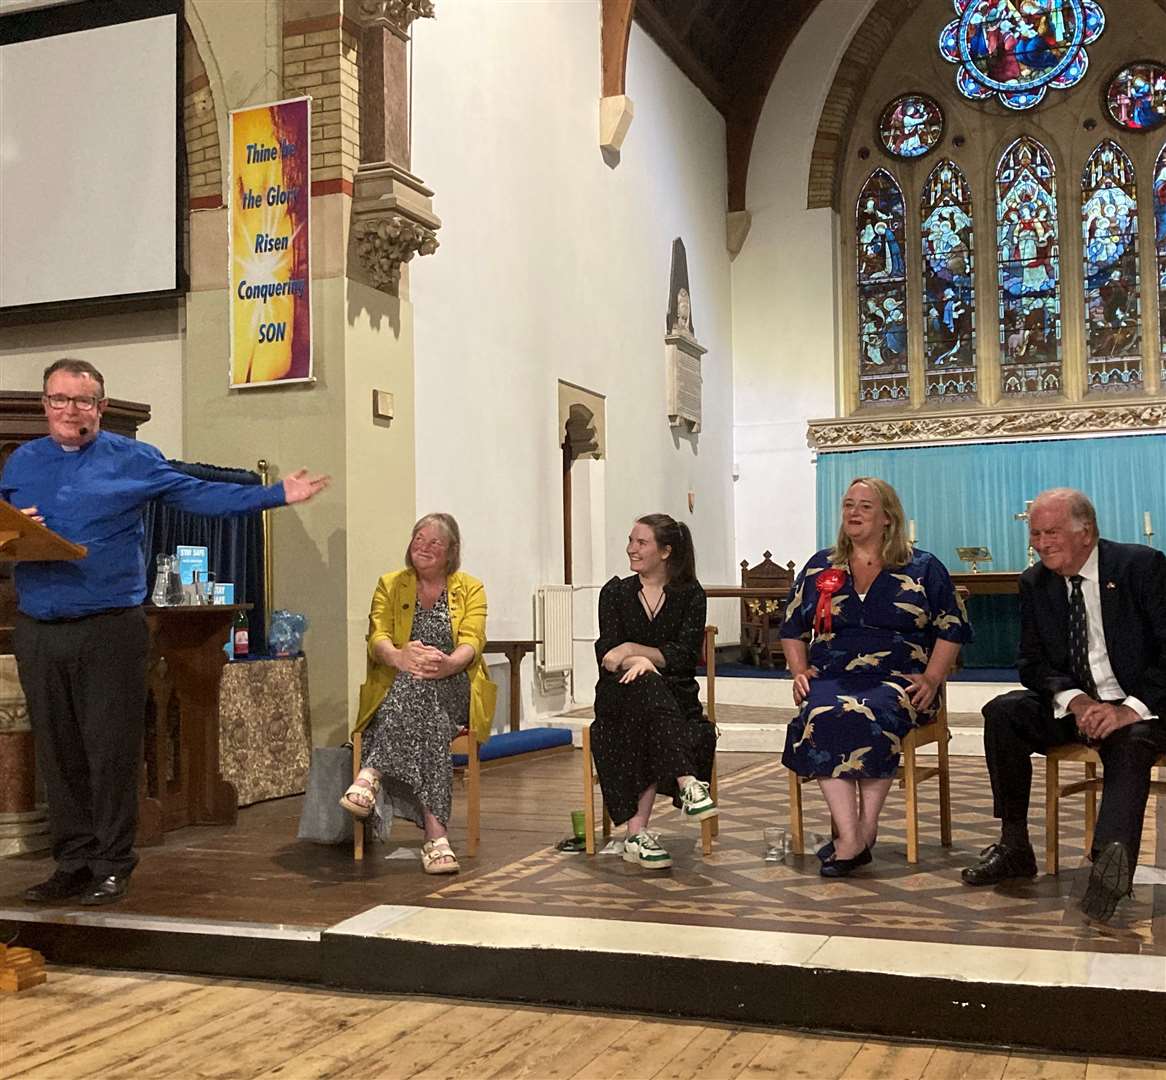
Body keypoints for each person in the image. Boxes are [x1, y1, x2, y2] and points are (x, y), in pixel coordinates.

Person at [1, 358, 328, 906]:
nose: (70, 411)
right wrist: (17, 526)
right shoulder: (22, 462)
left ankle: (110, 862)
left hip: (108, 626)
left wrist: (273, 495)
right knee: (58, 753)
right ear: (45, 405)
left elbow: (202, 495)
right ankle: (72, 862)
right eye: (59, 400)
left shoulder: (133, 459)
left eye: (83, 401)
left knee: (109, 751)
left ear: (101, 407)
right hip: (39, 626)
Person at [962, 489, 1166, 923]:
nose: (1041, 542)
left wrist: (1128, 708)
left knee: (1130, 744)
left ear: (1086, 532)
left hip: (1142, 707)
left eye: (1051, 532)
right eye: (1036, 533)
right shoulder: (1035, 583)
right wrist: (1075, 701)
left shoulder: (1141, 567)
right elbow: (1031, 662)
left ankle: (1109, 865)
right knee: (1004, 712)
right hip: (1079, 705)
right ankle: (1014, 844)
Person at [781, 478, 972, 877]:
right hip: (833, 676)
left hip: (901, 680)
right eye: (848, 504)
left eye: (865, 506)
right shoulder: (821, 566)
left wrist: (933, 678)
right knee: (821, 711)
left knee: (872, 709)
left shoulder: (922, 567)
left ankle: (863, 831)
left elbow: (952, 625)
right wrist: (799, 671)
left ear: (888, 517)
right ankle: (853, 835)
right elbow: (791, 627)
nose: (853, 512)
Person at [344, 513, 496, 875]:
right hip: (403, 688)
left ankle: (370, 773)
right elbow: (377, 636)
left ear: (450, 551)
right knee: (423, 704)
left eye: (434, 542)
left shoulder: (470, 588)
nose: (423, 547)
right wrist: (398, 656)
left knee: (422, 683)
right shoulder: (390, 584)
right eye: (417, 538)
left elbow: (473, 640)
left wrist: (447, 664)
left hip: (455, 684)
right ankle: (436, 838)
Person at [589, 514, 716, 869]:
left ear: (665, 551)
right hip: (619, 696)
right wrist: (639, 660)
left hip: (676, 699)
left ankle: (636, 835)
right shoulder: (615, 593)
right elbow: (610, 656)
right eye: (631, 540)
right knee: (644, 685)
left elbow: (685, 655)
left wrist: (641, 655)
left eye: (641, 542)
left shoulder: (690, 595)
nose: (631, 548)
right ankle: (688, 781)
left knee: (649, 721)